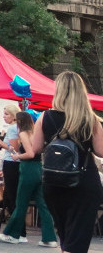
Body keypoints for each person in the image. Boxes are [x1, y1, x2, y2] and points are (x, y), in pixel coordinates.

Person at [29, 71, 103, 253]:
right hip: (83, 182)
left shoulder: (45, 117)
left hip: (54, 181)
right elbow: (101, 150)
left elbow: (35, 148)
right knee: (77, 240)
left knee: (65, 236)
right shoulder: (90, 119)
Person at [0, 111, 56, 247]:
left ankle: (13, 234)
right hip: (38, 168)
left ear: (20, 122)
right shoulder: (35, 133)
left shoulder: (23, 134)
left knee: (21, 203)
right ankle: (49, 238)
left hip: (28, 169)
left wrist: (17, 156)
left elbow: (30, 153)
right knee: (42, 205)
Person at [0, 104, 21, 218]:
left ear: (14, 116)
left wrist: (0, 142)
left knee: (10, 193)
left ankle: (14, 218)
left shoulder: (13, 128)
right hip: (13, 163)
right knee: (11, 192)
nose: (4, 116)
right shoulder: (17, 127)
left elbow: (14, 149)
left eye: (6, 114)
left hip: (11, 162)